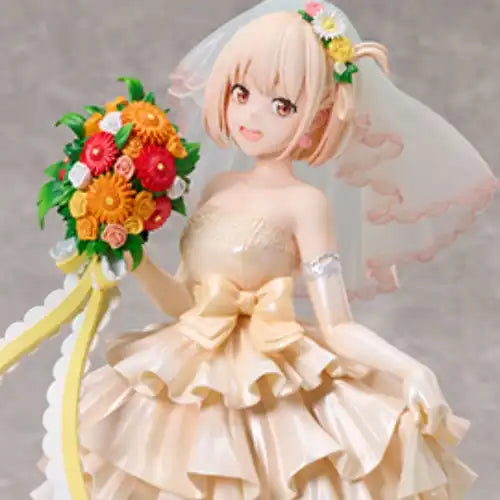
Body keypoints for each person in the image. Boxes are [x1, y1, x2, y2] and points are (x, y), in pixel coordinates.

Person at [30, 1, 499, 498]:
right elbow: (185, 302)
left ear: (318, 117)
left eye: (282, 106)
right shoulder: (217, 189)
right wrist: (135, 254)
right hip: (189, 368)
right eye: (241, 92)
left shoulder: (305, 204)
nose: (252, 114)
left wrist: (411, 369)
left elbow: (338, 325)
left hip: (272, 376)